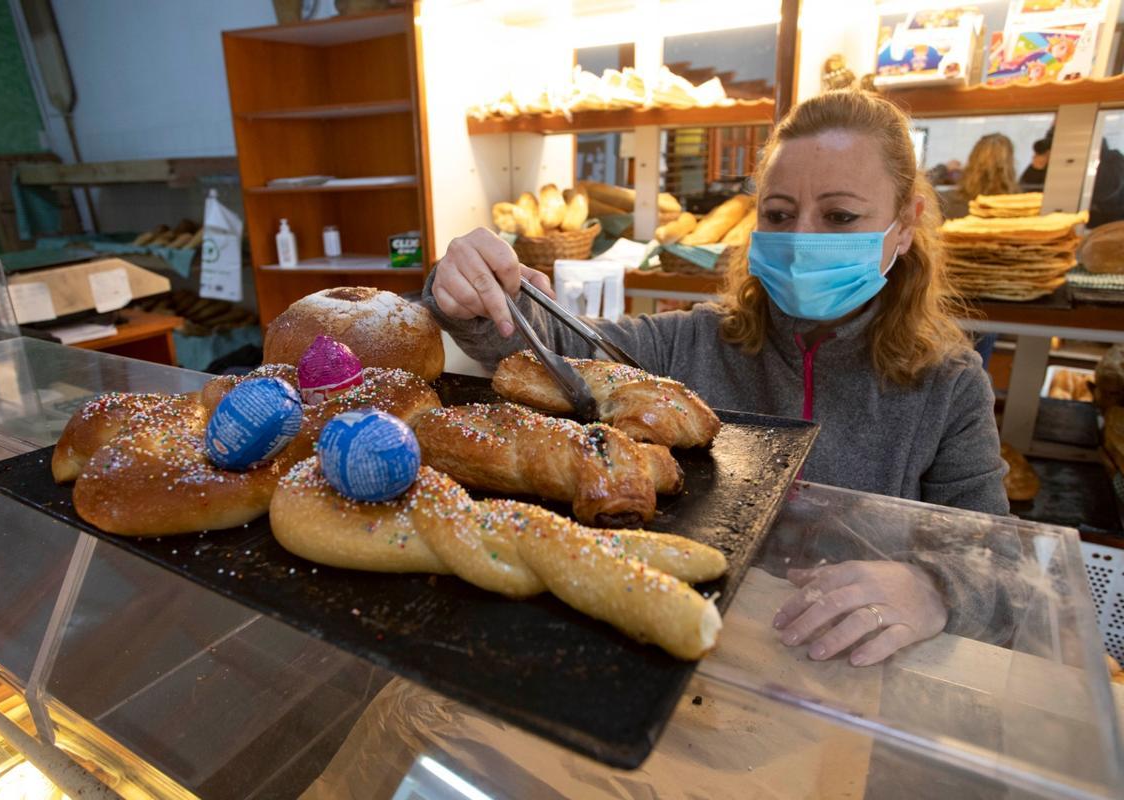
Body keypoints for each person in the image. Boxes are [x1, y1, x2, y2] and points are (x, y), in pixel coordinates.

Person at [422, 90, 1017, 667]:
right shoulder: (693, 342)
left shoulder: (948, 385)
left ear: (906, 224)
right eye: (780, 215)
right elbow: (551, 353)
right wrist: (469, 292)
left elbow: (999, 566)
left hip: (851, 663)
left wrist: (935, 588)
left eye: (839, 216)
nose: (802, 238)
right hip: (690, 651)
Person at [939, 133, 1018, 219]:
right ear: (1010, 165)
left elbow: (925, 190)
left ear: (971, 160)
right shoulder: (1021, 207)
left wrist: (943, 168)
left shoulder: (946, 202)